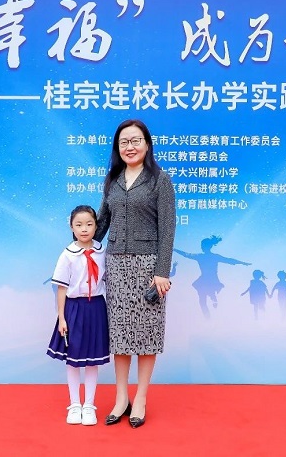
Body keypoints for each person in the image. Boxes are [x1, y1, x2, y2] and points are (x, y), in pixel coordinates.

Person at [95, 119, 175, 429]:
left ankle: (140, 398)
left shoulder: (159, 180)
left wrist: (161, 271)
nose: (130, 147)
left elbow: (167, 228)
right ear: (117, 148)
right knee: (120, 334)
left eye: (135, 140)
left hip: (148, 267)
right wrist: (81, 246)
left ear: (147, 144)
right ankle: (121, 398)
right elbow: (103, 222)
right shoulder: (112, 180)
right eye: (123, 142)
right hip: (116, 266)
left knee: (146, 334)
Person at [46, 205, 110, 426]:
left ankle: (89, 405)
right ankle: (74, 405)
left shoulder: (102, 251)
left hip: (97, 308)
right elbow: (61, 288)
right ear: (71, 227)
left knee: (92, 360)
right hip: (74, 308)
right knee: (73, 360)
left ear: (96, 226)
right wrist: (62, 318)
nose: (84, 229)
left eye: (89, 224)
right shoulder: (67, 255)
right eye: (79, 224)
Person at [174, 235, 251, 319]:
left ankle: (211, 307)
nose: (201, 247)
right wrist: (243, 263)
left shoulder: (201, 256)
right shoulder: (213, 256)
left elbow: (186, 254)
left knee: (202, 301)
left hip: (208, 280)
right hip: (208, 279)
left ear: (205, 247)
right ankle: (209, 312)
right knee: (203, 300)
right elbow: (229, 260)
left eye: (202, 245)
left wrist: (174, 249)